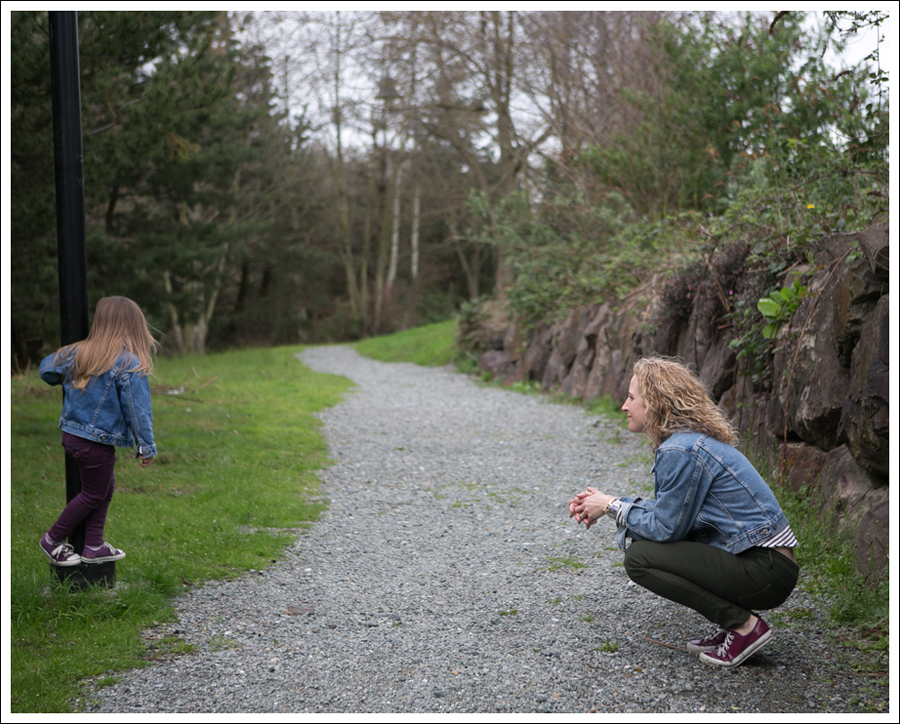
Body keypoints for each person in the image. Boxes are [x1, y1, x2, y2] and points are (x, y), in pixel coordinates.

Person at [568, 356, 799, 668]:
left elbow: (665, 528)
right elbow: (672, 515)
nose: (624, 406)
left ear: (654, 404)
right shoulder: (688, 443)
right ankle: (734, 625)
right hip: (764, 564)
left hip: (766, 570)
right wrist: (606, 504)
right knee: (645, 546)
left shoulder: (680, 450)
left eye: (632, 398)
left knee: (640, 559)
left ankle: (744, 627)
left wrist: (610, 506)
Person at [38, 296, 159, 567]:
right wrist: (146, 446)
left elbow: (46, 369)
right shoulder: (128, 362)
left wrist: (75, 371)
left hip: (72, 436)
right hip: (96, 442)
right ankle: (52, 540)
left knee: (105, 486)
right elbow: (138, 410)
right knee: (93, 493)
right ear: (134, 326)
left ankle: (93, 545)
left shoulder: (78, 352)